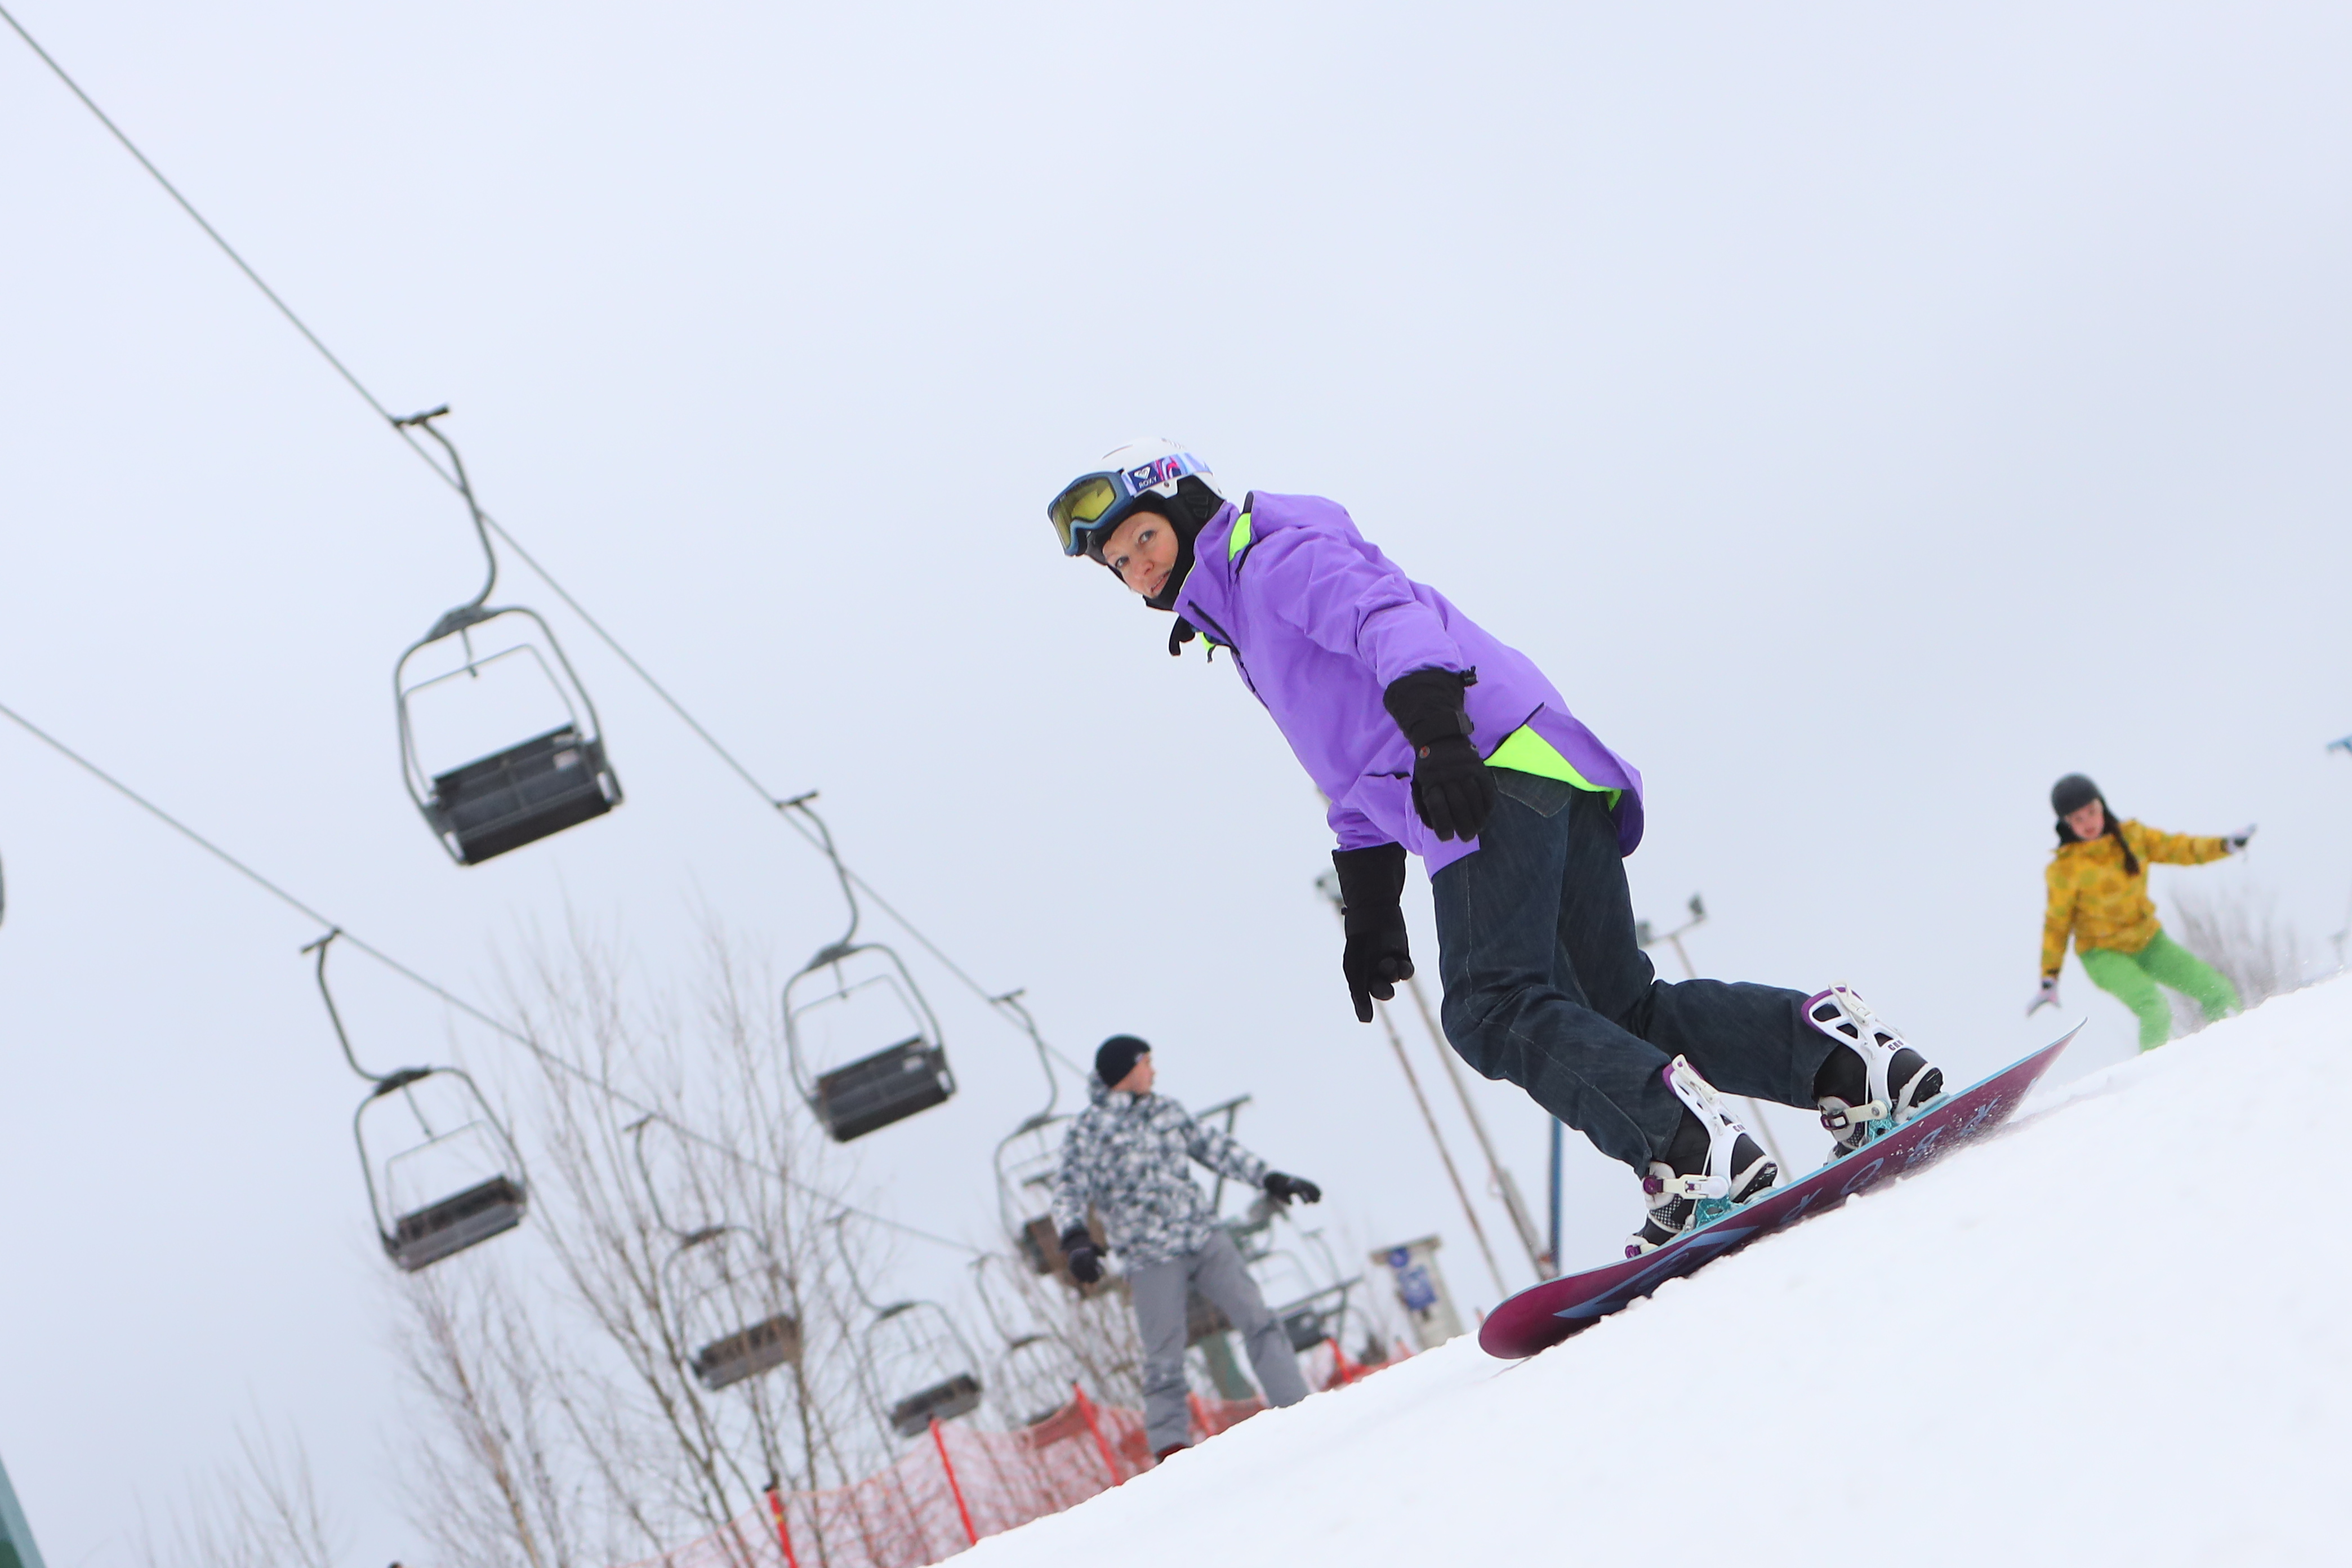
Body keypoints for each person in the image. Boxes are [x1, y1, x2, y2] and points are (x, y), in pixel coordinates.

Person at [1045, 439, 1951, 1259]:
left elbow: (1388, 619)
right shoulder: (1243, 625)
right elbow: (1354, 772)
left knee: (1488, 1005)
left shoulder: (1271, 561)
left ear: (1185, 504)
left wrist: (1439, 737)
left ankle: (1691, 1154)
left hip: (1479, 769)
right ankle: (1854, 1065)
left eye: (1144, 541)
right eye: (1119, 566)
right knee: (1619, 1011)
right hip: (1534, 761)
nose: (1137, 572)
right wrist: (1369, 913)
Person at [1050, 1034, 1322, 1460]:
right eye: (1147, 1063)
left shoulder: (1165, 1110)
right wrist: (1076, 1239)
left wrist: (1272, 1179)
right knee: (1164, 1355)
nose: (1153, 1071)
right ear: (1127, 1069)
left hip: (1202, 1235)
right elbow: (1068, 1189)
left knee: (1258, 1318)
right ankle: (1171, 1445)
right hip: (1150, 1255)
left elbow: (1216, 1150)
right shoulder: (1088, 1132)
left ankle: (1295, 1402)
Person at [2029, 773, 2253, 1049]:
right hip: (2103, 954)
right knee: (2154, 1007)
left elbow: (2178, 848)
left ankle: (2236, 1048)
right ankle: (2150, 1082)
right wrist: (2049, 977)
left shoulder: (2133, 837)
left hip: (2148, 941)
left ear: (2102, 806)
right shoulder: (2064, 869)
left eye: (2091, 812)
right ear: (2066, 824)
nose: (2088, 823)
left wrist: (2225, 846)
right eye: (2078, 819)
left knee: (2216, 990)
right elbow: (2057, 924)